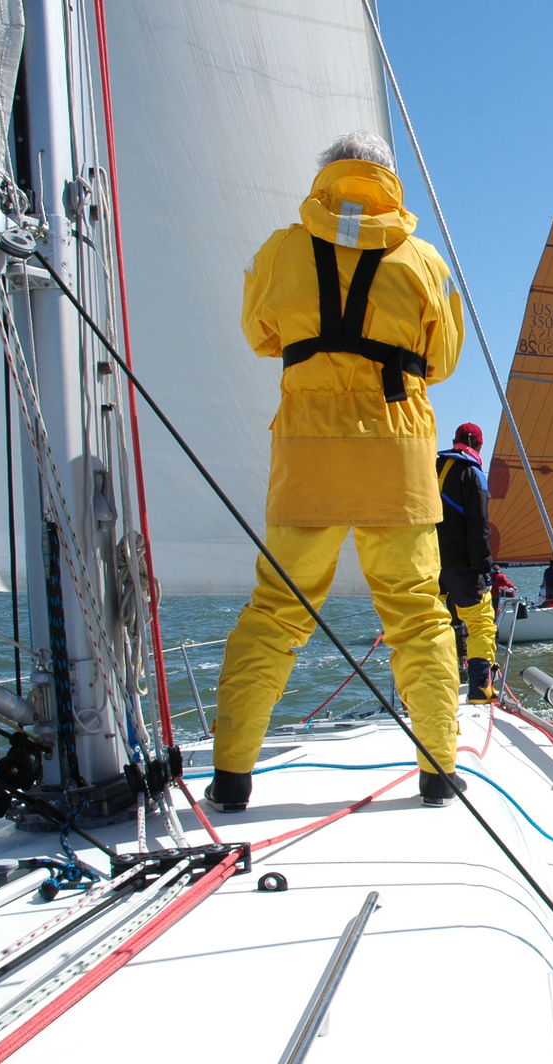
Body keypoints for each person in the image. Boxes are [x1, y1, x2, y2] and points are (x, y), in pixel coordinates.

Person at [210, 131, 466, 811]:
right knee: (418, 614)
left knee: (276, 610)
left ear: (328, 175)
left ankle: (231, 776)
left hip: (308, 449)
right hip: (397, 450)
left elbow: (259, 335)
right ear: (389, 179)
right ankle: (438, 772)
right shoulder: (426, 260)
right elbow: (443, 362)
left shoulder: (280, 249)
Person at [437, 422, 497, 703]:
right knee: (481, 624)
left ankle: (430, 690)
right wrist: (485, 568)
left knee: (433, 624)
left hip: (428, 563)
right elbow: (479, 526)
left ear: (454, 441)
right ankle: (480, 689)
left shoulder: (433, 467)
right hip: (463, 565)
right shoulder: (474, 474)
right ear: (479, 445)